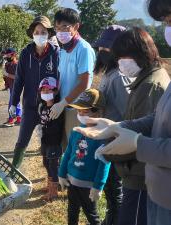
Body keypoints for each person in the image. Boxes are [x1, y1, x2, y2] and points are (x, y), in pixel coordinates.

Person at [75, 1, 171, 222]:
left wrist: (133, 143)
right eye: (166, 22)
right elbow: (158, 118)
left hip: (143, 178)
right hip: (155, 186)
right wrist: (118, 127)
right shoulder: (145, 79)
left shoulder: (152, 84)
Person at [10, 16, 59, 168]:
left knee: (51, 143)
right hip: (30, 106)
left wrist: (56, 99)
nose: (39, 35)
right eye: (36, 32)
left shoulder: (56, 53)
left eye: (43, 32)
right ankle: (13, 172)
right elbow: (19, 80)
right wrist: (13, 102)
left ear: (49, 34)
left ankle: (54, 177)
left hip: (50, 107)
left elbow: (60, 79)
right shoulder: (25, 53)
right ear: (32, 34)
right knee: (22, 141)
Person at [92, 25, 129, 225]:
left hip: (116, 141)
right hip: (106, 139)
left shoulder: (119, 77)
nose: (102, 51)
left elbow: (126, 115)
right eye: (101, 48)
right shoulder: (108, 73)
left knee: (115, 190)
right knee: (110, 188)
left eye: (107, 48)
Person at [58, 89, 110, 225]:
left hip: (88, 186)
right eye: (79, 111)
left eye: (85, 111)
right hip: (71, 182)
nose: (80, 114)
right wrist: (62, 174)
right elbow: (68, 153)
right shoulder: (76, 131)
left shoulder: (102, 135)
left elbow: (104, 163)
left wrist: (98, 186)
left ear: (97, 111)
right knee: (72, 211)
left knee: (91, 215)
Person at [52, 8, 96, 150]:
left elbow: (84, 83)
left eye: (65, 26)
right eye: (57, 28)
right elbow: (62, 77)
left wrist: (63, 103)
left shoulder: (83, 49)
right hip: (63, 106)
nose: (60, 32)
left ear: (76, 26)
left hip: (76, 109)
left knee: (76, 150)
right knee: (64, 149)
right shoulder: (64, 49)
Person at [38, 77, 64, 201]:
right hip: (45, 141)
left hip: (54, 142)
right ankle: (50, 185)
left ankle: (54, 192)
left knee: (53, 165)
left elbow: (56, 128)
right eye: (43, 90)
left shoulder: (57, 109)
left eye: (49, 90)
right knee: (46, 163)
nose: (46, 93)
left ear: (55, 91)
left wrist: (46, 130)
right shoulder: (43, 107)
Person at [2, 48, 22, 126]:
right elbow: (5, 76)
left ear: (13, 55)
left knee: (12, 103)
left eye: (8, 55)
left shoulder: (17, 64)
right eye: (6, 55)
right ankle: (19, 118)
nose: (7, 56)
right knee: (16, 103)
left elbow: (17, 77)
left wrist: (7, 74)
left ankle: (11, 119)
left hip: (16, 86)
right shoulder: (8, 64)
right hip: (11, 86)